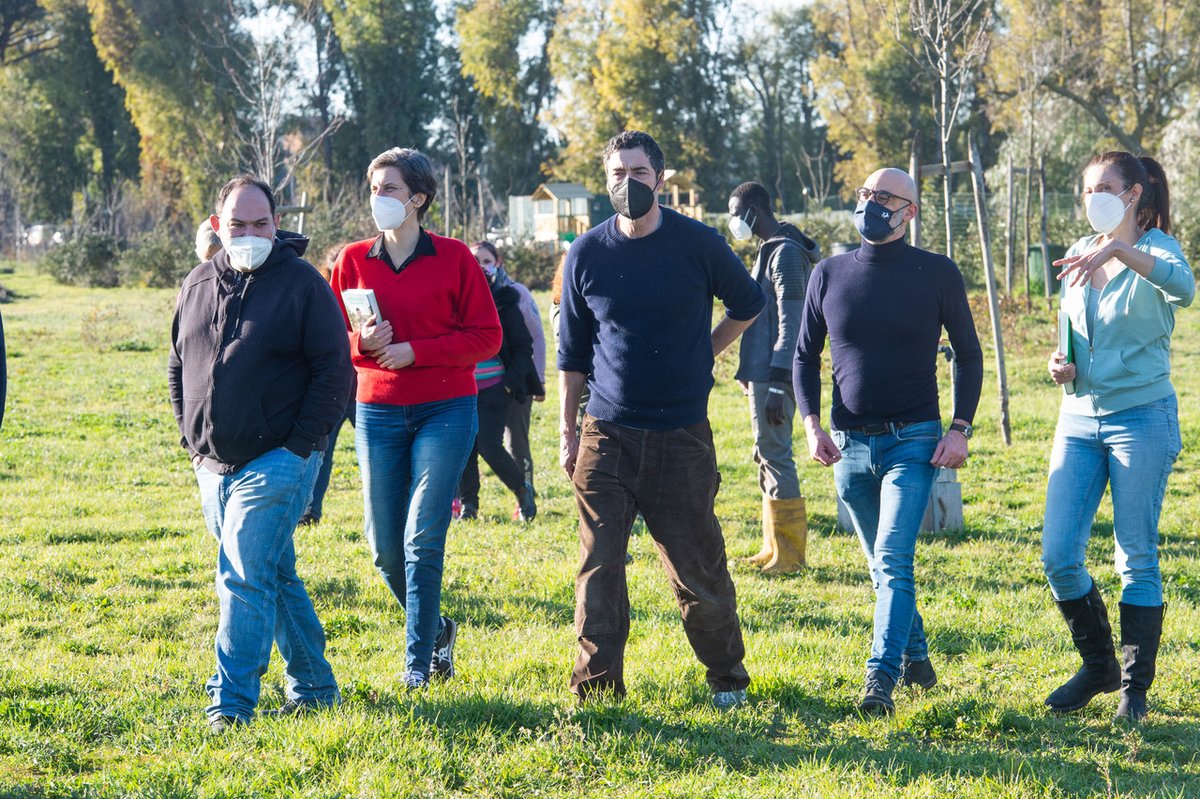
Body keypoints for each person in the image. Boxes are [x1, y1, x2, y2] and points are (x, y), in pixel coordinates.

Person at [558, 130, 765, 710]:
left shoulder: (698, 244)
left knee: (697, 569)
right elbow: (572, 355)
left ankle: (727, 679)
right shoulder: (587, 253)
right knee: (598, 568)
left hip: (681, 438)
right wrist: (568, 432)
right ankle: (597, 691)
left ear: (661, 179)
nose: (629, 184)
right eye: (617, 174)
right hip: (606, 434)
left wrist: (706, 351)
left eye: (639, 173)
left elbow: (748, 304)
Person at [795, 167, 983, 716]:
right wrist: (811, 423)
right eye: (865, 194)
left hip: (916, 440)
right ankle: (917, 657)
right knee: (881, 565)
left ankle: (880, 678)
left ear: (910, 212)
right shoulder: (828, 273)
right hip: (848, 444)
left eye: (885, 197)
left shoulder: (937, 273)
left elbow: (969, 353)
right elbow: (804, 355)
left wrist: (960, 428)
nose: (872, 204)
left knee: (894, 558)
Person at [168, 175, 352, 732]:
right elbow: (178, 363)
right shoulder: (198, 282)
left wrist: (300, 448)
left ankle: (231, 703)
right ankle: (316, 687)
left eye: (260, 224)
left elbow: (334, 371)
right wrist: (191, 441)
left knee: (242, 574)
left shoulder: (302, 284)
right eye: (238, 225)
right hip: (211, 463)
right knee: (271, 572)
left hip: (279, 458)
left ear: (277, 224)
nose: (249, 233)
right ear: (217, 225)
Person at [330, 147, 501, 690]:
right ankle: (438, 631)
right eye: (373, 188)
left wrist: (415, 351)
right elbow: (333, 341)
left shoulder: (455, 258)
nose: (377, 198)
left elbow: (487, 336)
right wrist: (363, 341)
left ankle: (417, 666)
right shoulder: (351, 260)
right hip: (376, 411)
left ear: (418, 199)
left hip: (446, 408)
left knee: (421, 540)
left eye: (389, 190)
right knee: (384, 548)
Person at [1042, 152, 1192, 723]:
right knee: (1059, 555)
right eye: (1085, 190)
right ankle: (1099, 666)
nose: (1092, 197)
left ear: (1133, 194)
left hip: (1142, 417)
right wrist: (1062, 362)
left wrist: (1120, 252)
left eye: (1104, 187)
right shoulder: (1079, 250)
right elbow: (1071, 330)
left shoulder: (1158, 249)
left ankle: (1134, 687)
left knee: (1136, 554)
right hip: (1078, 418)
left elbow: (1184, 290)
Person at [727, 181, 820, 574]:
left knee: (778, 456)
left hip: (776, 375)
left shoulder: (784, 255)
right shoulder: (769, 251)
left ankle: (790, 555)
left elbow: (792, 321)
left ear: (754, 211)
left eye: (736, 212)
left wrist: (780, 384)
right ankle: (772, 545)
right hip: (762, 374)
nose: (734, 221)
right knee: (765, 453)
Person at [455, 241, 542, 521]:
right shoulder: (453, 301)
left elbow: (524, 346)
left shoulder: (505, 301)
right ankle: (470, 506)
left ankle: (521, 489)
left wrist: (509, 383)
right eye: (474, 261)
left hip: (495, 387)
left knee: (489, 445)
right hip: (462, 387)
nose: (479, 266)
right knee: (465, 446)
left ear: (496, 263)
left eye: (485, 260)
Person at [300, 242, 358, 527]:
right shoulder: (319, 295)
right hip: (332, 389)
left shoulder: (363, 296)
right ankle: (310, 510)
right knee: (321, 453)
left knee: (377, 455)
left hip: (361, 388)